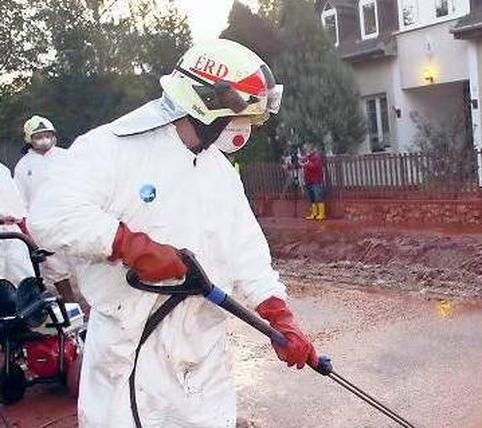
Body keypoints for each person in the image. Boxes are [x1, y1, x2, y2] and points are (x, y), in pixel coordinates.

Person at [29, 39, 317, 427]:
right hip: (130, 350)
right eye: (243, 115)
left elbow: (245, 250)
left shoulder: (218, 171)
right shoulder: (112, 149)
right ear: (207, 103)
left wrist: (278, 315)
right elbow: (49, 215)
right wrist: (127, 245)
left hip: (203, 351)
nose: (245, 127)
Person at [14, 116, 82, 307]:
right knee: (56, 269)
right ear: (29, 139)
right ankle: (71, 309)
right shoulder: (23, 167)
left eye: (47, 135)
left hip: (71, 219)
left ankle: (93, 309)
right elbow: (22, 201)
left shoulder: (67, 157)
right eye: (38, 136)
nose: (43, 140)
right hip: (43, 226)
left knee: (83, 263)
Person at [0, 163, 32, 285]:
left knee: (24, 279)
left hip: (12, 233)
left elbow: (18, 209)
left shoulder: (3, 170)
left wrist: (27, 236)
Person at [303, 145, 326, 220]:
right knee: (312, 198)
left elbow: (316, 166)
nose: (307, 151)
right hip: (308, 181)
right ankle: (314, 214)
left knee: (318, 197)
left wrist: (306, 164)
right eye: (306, 150)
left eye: (308, 149)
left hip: (316, 181)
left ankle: (321, 214)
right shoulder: (307, 158)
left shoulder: (317, 157)